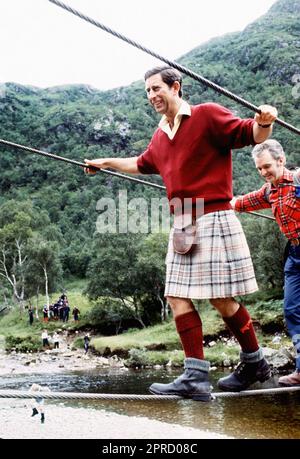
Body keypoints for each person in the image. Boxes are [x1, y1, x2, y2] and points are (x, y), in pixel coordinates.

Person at [85, 65, 278, 399]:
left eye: (156, 88)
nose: (151, 96)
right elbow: (142, 163)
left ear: (176, 87)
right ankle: (195, 376)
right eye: (147, 91)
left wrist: (266, 120)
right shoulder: (161, 134)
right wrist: (105, 162)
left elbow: (252, 134)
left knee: (221, 298)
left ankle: (254, 362)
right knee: (175, 294)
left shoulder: (207, 116)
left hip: (213, 216)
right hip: (183, 223)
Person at [231, 139, 300, 386]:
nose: (263, 172)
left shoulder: (299, 179)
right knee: (292, 310)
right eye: (259, 168)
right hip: (294, 255)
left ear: (281, 161)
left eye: (267, 166)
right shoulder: (268, 192)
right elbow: (238, 203)